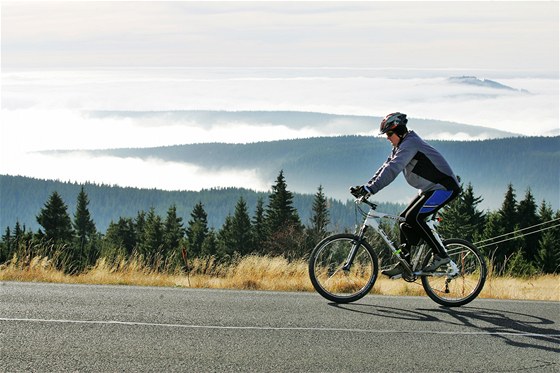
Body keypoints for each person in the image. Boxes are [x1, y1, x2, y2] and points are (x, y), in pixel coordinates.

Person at [350, 112, 461, 278]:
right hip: (430, 189)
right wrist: (366, 187)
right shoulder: (400, 146)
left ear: (400, 131)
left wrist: (371, 189)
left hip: (445, 188)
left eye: (389, 134)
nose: (387, 138)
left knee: (414, 218)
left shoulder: (410, 144)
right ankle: (405, 263)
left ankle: (441, 256)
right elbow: (384, 167)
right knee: (404, 219)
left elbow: (393, 169)